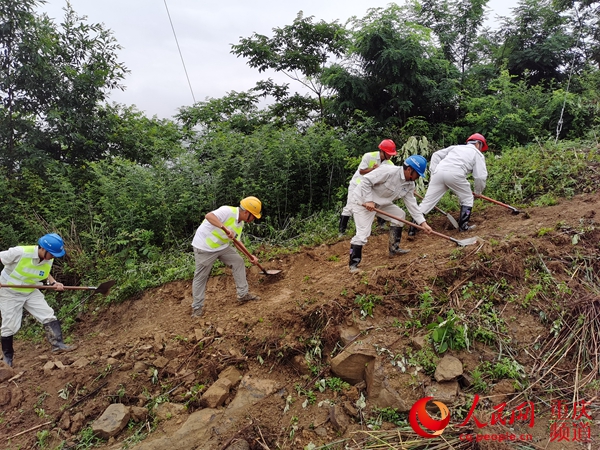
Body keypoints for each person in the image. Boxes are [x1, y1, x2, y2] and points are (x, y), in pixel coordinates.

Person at [0, 233, 77, 367]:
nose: (53, 257)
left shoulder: (48, 258)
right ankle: (7, 358)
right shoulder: (20, 252)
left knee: (47, 314)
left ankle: (58, 344)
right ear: (42, 249)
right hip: (10, 292)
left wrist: (54, 283)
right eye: (52, 254)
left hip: (30, 290)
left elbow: (44, 271)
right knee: (10, 325)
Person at [346, 155, 433, 273]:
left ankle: (394, 249)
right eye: (417, 174)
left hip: (381, 203)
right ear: (409, 170)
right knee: (363, 234)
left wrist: (423, 223)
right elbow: (366, 181)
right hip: (363, 202)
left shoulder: (409, 184)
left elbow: (412, 205)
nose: (417, 178)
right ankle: (353, 265)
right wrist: (368, 200)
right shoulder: (388, 171)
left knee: (400, 215)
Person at [190, 196, 263, 318]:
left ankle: (243, 294)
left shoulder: (240, 224)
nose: (253, 219)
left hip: (221, 247)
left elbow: (237, 242)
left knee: (238, 261)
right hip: (204, 247)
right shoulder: (227, 211)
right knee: (201, 277)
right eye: (253, 216)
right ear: (246, 213)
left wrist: (250, 256)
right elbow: (209, 216)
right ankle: (197, 308)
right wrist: (224, 228)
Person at [412, 133, 488, 234]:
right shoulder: (477, 154)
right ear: (478, 144)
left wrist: (434, 172)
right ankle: (463, 226)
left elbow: (436, 155)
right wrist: (478, 192)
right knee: (467, 198)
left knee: (427, 202)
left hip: (439, 172)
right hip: (455, 173)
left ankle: (412, 229)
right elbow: (480, 177)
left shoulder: (456, 147)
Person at [339, 139, 397, 236]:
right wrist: (373, 170)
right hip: (357, 185)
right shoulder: (369, 156)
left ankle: (381, 224)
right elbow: (361, 171)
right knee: (349, 207)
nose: (391, 156)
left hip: (371, 188)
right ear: (382, 151)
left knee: (380, 203)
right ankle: (341, 232)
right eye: (389, 153)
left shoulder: (390, 164)